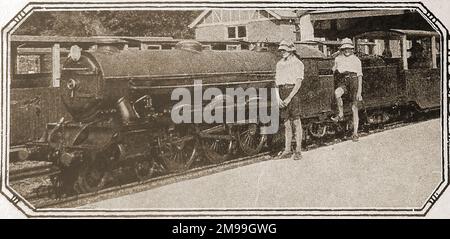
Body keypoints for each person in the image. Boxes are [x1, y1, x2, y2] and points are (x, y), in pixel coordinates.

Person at [275, 40, 304, 160]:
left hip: (293, 93)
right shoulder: (279, 64)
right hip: (281, 93)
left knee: (296, 122)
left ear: (291, 50)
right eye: (281, 50)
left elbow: (298, 83)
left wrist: (288, 98)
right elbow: (276, 83)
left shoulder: (298, 63)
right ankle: (287, 150)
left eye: (284, 50)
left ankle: (298, 150)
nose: (282, 52)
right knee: (286, 123)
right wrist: (278, 98)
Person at [331, 38, 363, 142]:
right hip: (343, 81)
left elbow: (359, 77)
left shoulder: (356, 60)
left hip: (353, 81)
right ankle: (340, 114)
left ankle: (355, 133)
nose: (347, 51)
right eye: (345, 49)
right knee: (337, 93)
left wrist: (359, 92)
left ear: (352, 49)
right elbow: (333, 69)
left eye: (348, 48)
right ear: (342, 49)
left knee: (354, 108)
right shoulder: (338, 59)